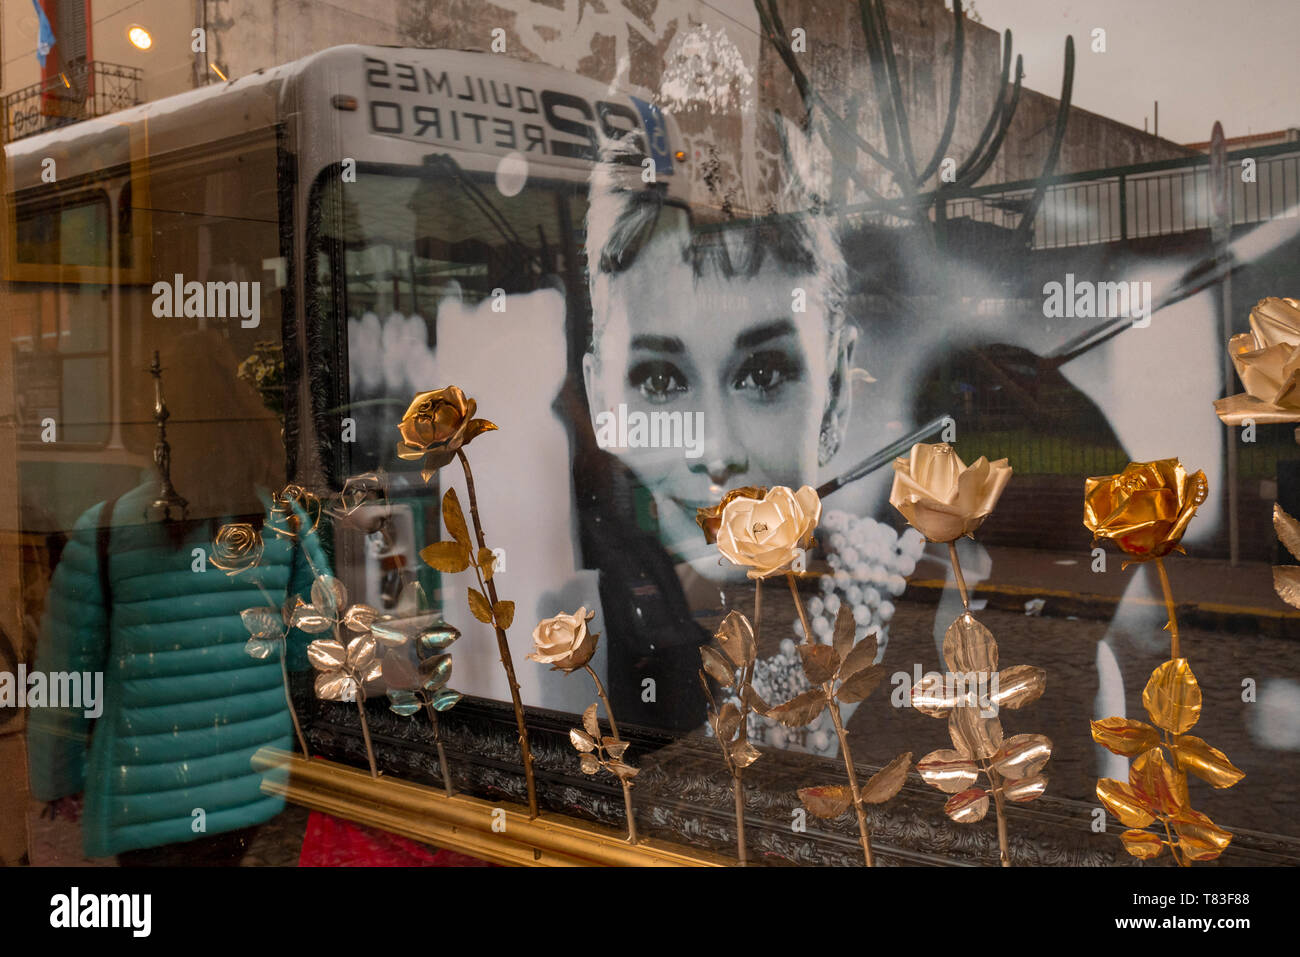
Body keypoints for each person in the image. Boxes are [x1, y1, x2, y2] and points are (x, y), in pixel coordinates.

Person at [573, 133, 857, 731]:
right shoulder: (570, 643)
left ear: (837, 392)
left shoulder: (951, 640)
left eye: (763, 373)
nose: (716, 451)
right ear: (602, 401)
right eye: (659, 380)